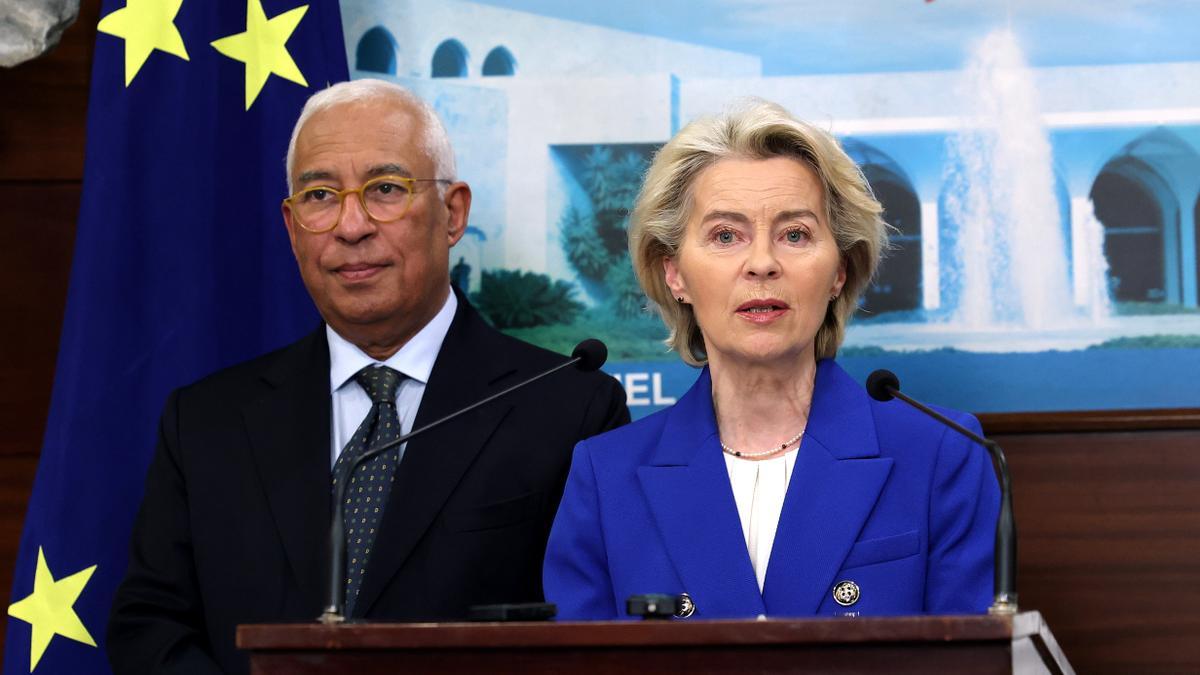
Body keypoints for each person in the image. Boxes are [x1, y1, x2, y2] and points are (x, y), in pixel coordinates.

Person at [107, 79, 629, 673]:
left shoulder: (569, 409)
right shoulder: (205, 422)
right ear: (291, 224)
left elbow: (596, 636)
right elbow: (151, 626)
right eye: (320, 196)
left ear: (453, 213)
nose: (351, 226)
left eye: (385, 189)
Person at [543, 99, 998, 620]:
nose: (761, 263)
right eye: (725, 235)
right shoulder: (606, 476)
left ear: (839, 271)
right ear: (675, 274)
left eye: (795, 234)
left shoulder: (942, 455)